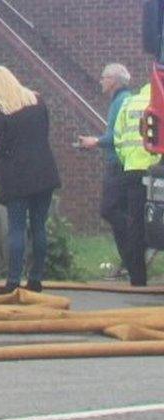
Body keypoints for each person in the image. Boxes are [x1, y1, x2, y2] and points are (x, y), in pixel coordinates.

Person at [0, 66, 62, 294]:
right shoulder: (37, 100)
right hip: (44, 171)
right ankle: (36, 279)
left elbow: (1, 147)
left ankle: (13, 281)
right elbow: (44, 133)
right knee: (39, 226)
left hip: (17, 176)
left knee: (17, 228)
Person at [78, 63, 133, 278]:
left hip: (118, 163)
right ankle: (130, 260)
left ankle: (134, 250)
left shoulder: (121, 102)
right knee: (119, 210)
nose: (101, 80)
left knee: (109, 209)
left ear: (114, 81)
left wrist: (96, 141)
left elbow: (117, 136)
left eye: (104, 77)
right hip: (123, 162)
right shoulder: (120, 101)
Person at [113, 83, 159, 286]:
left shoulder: (128, 102)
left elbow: (118, 139)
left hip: (132, 170)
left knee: (135, 224)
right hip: (157, 170)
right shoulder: (159, 102)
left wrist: (127, 160)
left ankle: (137, 278)